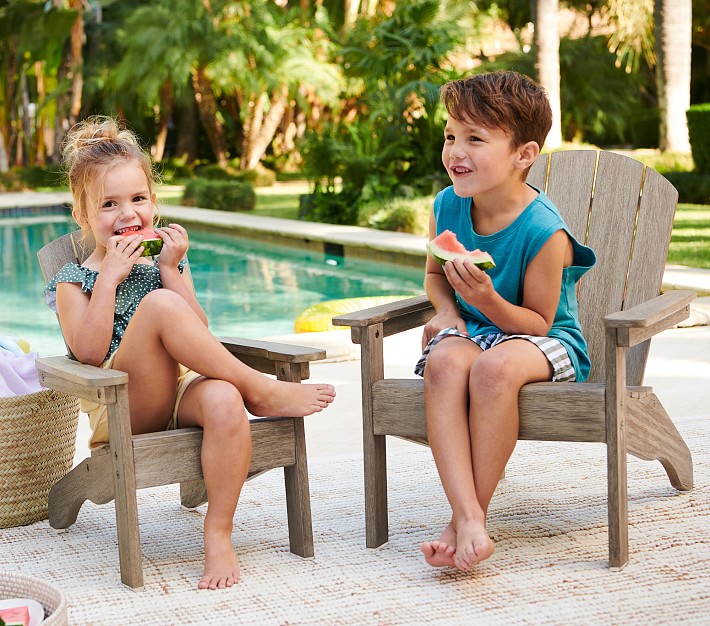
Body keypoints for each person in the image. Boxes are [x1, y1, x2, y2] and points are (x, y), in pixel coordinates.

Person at [44, 116, 336, 590]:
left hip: (177, 394)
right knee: (161, 307)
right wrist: (112, 279)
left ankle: (218, 532)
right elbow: (90, 352)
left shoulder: (163, 263)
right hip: (122, 407)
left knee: (222, 398)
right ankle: (259, 389)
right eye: (109, 205)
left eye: (138, 199)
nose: (127, 214)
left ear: (154, 203)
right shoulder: (74, 281)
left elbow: (198, 331)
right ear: (83, 217)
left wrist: (171, 269)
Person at [415, 71, 596, 571]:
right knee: (445, 366)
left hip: (545, 340)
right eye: (451, 135)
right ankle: (468, 517)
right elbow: (434, 274)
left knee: (493, 371)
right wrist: (449, 311)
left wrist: (488, 300)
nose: (456, 150)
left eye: (475, 138)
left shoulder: (543, 229)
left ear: (524, 154)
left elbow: (538, 322)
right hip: (476, 328)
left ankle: (464, 521)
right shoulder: (447, 205)